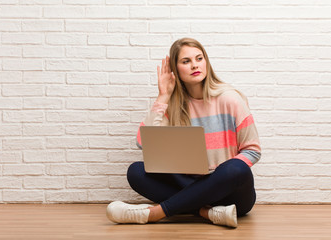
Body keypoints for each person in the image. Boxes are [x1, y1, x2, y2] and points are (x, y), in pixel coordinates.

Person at [106, 38, 261, 228]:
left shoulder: (230, 99)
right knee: (136, 171)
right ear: (175, 69)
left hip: (231, 193)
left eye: (199, 58)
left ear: (206, 62)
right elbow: (143, 142)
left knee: (237, 168)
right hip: (189, 183)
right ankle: (206, 212)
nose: (195, 65)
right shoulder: (173, 106)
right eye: (186, 61)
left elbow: (252, 151)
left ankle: (156, 213)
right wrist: (163, 96)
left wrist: (217, 177)